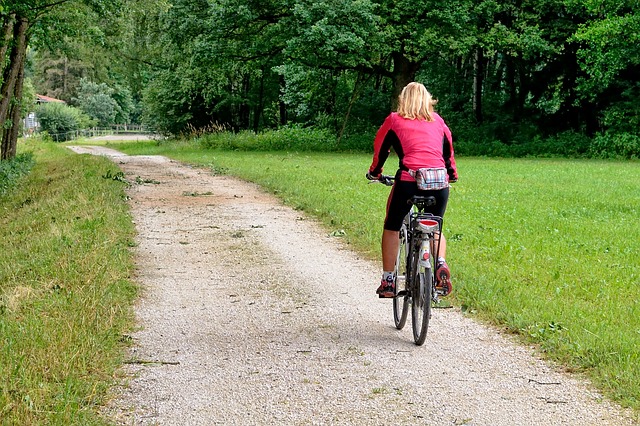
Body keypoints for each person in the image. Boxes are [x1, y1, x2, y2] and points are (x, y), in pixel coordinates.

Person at [366, 82, 458, 298]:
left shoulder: (394, 120)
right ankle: (440, 264)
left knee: (392, 225)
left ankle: (388, 281)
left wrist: (375, 172)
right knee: (434, 225)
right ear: (428, 100)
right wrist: (451, 175)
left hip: (409, 181)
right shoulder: (439, 122)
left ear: (403, 99)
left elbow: (381, 150)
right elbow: (448, 154)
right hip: (439, 183)